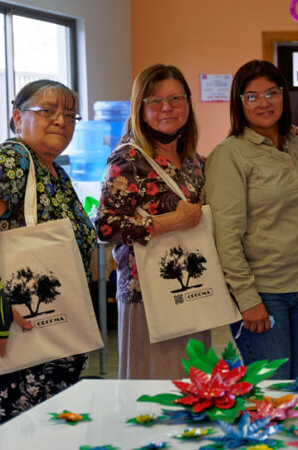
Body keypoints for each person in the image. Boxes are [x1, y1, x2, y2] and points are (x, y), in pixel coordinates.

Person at [0, 80, 95, 428]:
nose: (61, 121)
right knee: (25, 435)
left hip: (52, 323)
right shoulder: (12, 157)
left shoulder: (54, 172)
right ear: (18, 118)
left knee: (53, 431)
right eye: (47, 111)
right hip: (17, 322)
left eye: (69, 115)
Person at [205, 59, 298, 379]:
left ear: (284, 96)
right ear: (239, 103)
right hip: (264, 292)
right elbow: (225, 236)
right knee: (271, 392)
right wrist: (247, 300)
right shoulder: (230, 155)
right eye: (252, 96)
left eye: (271, 93)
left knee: (295, 384)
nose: (263, 103)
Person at [95, 64, 210, 379]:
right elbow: (106, 226)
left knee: (195, 385)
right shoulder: (129, 159)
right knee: (152, 391)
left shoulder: (195, 162)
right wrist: (171, 221)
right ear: (140, 108)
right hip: (147, 295)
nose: (167, 108)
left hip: (195, 285)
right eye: (155, 101)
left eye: (176, 98)